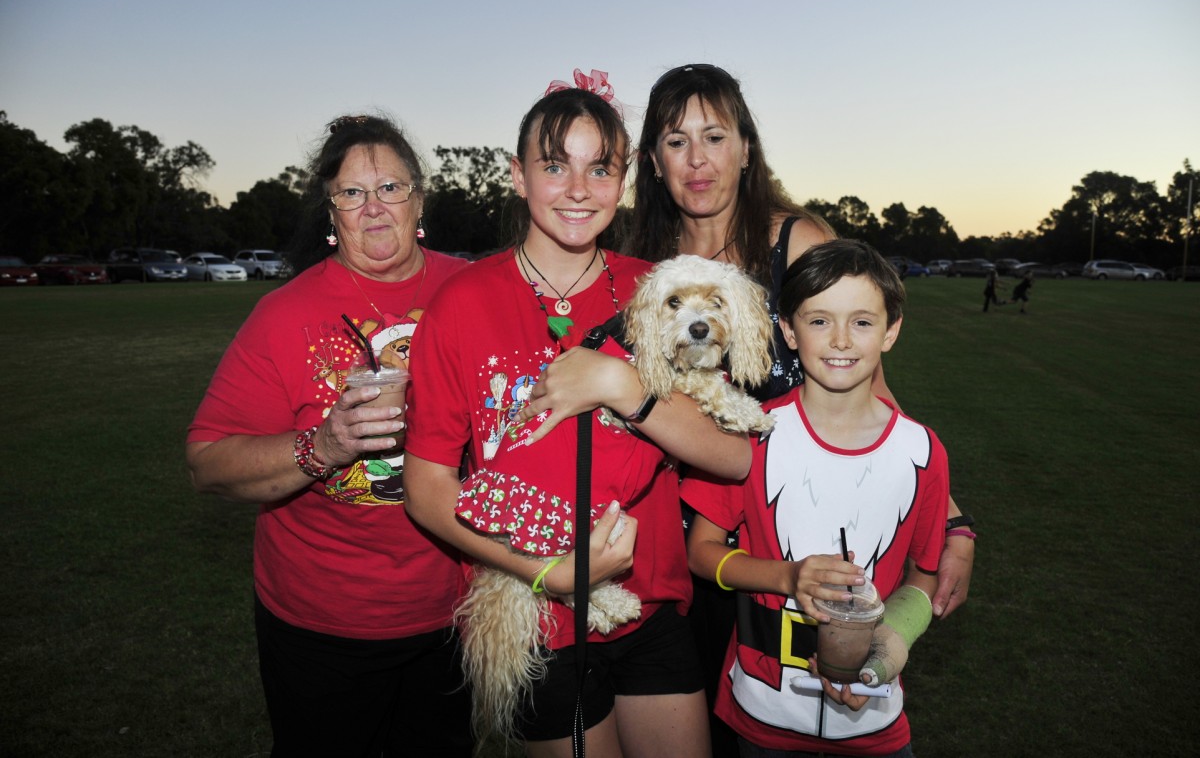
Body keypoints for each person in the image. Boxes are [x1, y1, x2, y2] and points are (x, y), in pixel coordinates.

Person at [530, 63, 974, 755]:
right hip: (677, 529)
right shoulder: (643, 262)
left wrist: (950, 519)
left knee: (791, 703)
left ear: (745, 147)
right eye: (676, 141)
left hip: (782, 523)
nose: (698, 160)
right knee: (705, 722)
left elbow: (869, 390)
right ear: (654, 162)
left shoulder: (793, 242)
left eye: (715, 137)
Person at [403, 77, 750, 758]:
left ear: (623, 181)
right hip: (538, 613)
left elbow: (732, 456)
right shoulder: (461, 302)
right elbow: (426, 488)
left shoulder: (660, 289)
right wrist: (548, 574)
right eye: (555, 166)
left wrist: (623, 385)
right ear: (518, 176)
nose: (578, 189)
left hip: (650, 602)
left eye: (600, 168)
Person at [185, 114, 472, 757]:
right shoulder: (283, 314)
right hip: (323, 624)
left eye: (390, 188)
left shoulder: (474, 290)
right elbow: (207, 462)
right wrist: (323, 445)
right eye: (351, 193)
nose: (373, 207)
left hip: (456, 611)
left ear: (419, 200)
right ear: (330, 211)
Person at [682, 239, 950, 757]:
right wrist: (787, 577)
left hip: (874, 722)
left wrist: (885, 652)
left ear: (891, 331)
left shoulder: (922, 451)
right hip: (763, 713)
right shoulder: (747, 433)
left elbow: (924, 575)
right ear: (788, 330)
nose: (841, 340)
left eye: (862, 322)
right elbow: (700, 552)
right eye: (820, 321)